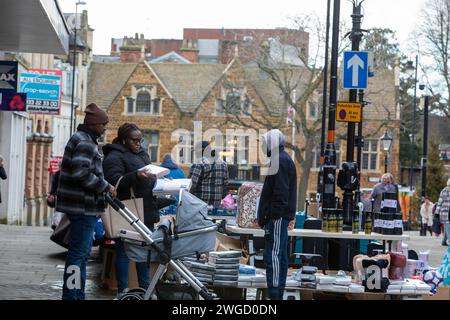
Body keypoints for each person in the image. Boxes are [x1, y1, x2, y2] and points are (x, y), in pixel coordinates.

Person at [57, 103, 116, 300]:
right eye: (103, 124)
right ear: (93, 124)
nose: (105, 128)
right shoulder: (84, 142)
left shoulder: (83, 139)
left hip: (82, 206)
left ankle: (77, 294)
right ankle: (71, 296)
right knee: (77, 255)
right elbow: (80, 173)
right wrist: (106, 186)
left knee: (80, 255)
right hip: (82, 207)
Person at [102, 123, 158, 296]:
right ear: (124, 140)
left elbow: (148, 177)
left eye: (141, 140)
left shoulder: (142, 154)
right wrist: (136, 176)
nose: (138, 143)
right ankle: (123, 290)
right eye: (134, 140)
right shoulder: (114, 156)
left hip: (146, 209)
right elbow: (113, 182)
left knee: (145, 252)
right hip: (127, 211)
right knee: (124, 252)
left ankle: (145, 289)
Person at [256, 129, 297, 300]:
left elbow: (280, 193)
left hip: (278, 218)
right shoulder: (281, 159)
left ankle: (275, 294)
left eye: (265, 143)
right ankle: (277, 293)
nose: (263, 146)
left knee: (273, 256)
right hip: (279, 216)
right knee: (279, 256)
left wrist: (272, 215)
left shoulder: (279, 161)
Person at [189, 141, 228, 207]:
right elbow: (225, 184)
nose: (195, 153)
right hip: (216, 205)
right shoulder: (223, 164)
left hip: (200, 205)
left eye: (195, 151)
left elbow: (191, 185)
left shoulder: (199, 164)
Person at [435, 179, 450, 246]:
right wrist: (436, 213)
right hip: (445, 213)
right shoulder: (443, 191)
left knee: (447, 227)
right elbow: (439, 202)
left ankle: (444, 241)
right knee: (448, 226)